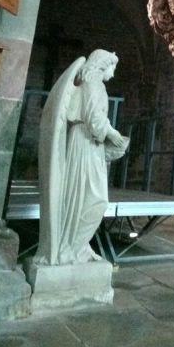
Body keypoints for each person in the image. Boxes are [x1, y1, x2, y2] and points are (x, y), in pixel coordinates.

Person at [34, 49, 128, 265]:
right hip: (85, 142)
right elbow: (95, 120)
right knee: (95, 199)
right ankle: (71, 248)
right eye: (113, 67)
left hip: (86, 142)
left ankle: (78, 246)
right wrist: (113, 134)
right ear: (103, 65)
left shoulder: (90, 83)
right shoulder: (94, 85)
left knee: (83, 196)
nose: (113, 74)